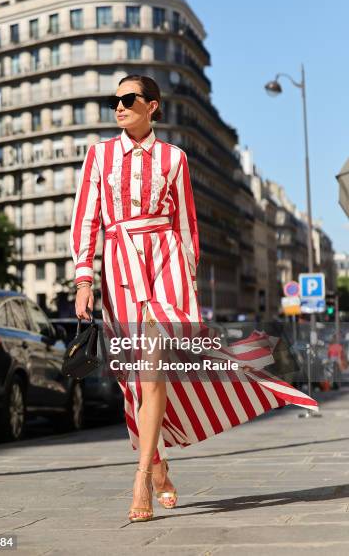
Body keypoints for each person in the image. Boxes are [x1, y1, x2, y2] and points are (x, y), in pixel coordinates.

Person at [70, 75, 319, 523]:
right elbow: (87, 217)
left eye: (129, 100)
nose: (119, 107)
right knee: (133, 381)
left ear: (153, 107)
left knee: (152, 372)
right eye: (115, 101)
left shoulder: (175, 158)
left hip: (167, 267)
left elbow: (186, 227)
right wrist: (84, 279)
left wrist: (189, 285)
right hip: (122, 265)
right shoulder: (100, 155)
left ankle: (142, 479)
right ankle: (161, 464)